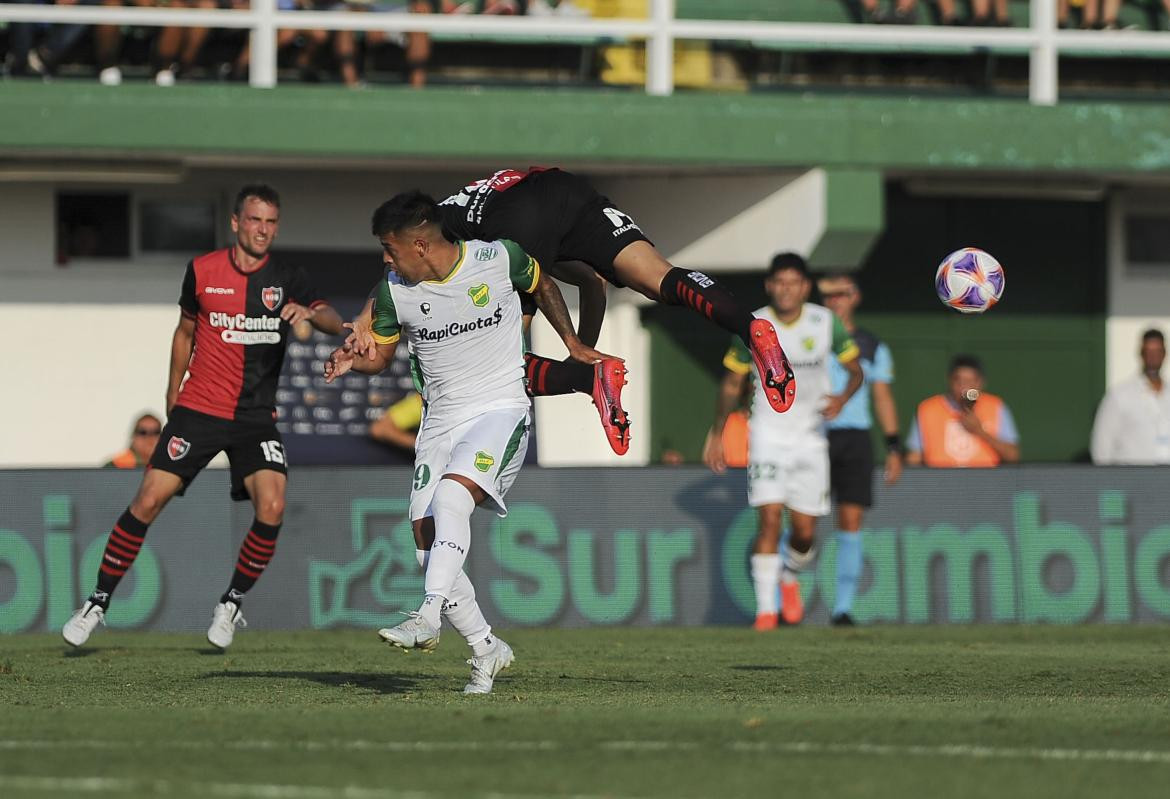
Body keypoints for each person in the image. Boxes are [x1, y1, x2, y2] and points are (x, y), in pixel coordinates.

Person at [324, 190, 610, 693]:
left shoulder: (496, 257)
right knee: (425, 547)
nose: (384, 261)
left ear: (419, 245)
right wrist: (355, 359)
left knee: (452, 497)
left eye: (389, 251)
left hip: (500, 408)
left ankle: (427, 617)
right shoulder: (396, 291)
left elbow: (541, 285)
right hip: (440, 420)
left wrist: (572, 343)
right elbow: (382, 355)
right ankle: (485, 649)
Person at [62, 185, 345, 650]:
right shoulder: (202, 270)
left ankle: (231, 604)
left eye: (271, 222)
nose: (263, 230)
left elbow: (333, 317)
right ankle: (97, 602)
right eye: (255, 220)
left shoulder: (287, 277)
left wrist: (313, 317)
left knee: (271, 507)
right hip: (199, 409)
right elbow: (185, 332)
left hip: (255, 416)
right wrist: (172, 391)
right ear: (236, 222)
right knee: (149, 500)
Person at [347, 167, 797, 453]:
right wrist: (586, 348)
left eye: (390, 249)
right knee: (661, 277)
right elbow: (592, 284)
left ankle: (583, 379)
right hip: (570, 191)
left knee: (502, 361)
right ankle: (750, 325)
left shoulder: (450, 234)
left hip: (518, 212)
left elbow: (394, 277)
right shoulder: (486, 230)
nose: (390, 258)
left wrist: (366, 317)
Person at [703, 253, 863, 630]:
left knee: (805, 534)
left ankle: (789, 574)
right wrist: (717, 431)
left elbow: (856, 371)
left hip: (811, 439)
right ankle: (765, 613)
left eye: (793, 282)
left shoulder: (826, 324)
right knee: (770, 520)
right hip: (768, 436)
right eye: (778, 282)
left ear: (805, 287)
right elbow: (732, 382)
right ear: (769, 286)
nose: (785, 289)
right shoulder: (754, 325)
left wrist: (842, 397)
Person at [817, 273, 903, 626]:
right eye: (829, 295)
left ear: (855, 297)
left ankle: (843, 608)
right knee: (799, 519)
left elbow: (882, 396)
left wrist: (894, 446)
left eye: (842, 294)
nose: (835, 301)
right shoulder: (809, 337)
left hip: (854, 436)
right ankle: (779, 601)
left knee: (850, 521)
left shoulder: (871, 345)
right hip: (812, 435)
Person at [905, 354, 1019, 468]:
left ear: (980, 382)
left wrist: (980, 431)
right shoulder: (928, 409)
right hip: (940, 481)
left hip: (985, 481)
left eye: (970, 381)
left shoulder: (996, 407)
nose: (964, 387)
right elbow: (914, 458)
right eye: (959, 380)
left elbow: (1012, 455)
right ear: (949, 381)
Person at [1091, 328, 1170, 465]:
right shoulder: (1119, 395)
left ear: (1164, 354)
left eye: (1157, 352)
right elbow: (1101, 446)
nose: (1153, 357)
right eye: (1148, 352)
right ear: (1141, 354)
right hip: (1132, 480)